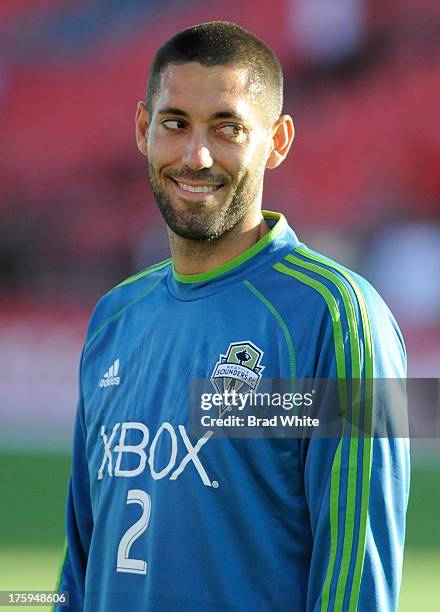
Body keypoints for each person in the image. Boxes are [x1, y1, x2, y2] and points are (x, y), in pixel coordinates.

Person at [53, 21, 409, 612]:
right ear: (144, 129)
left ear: (277, 140)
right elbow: (80, 569)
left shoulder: (338, 316)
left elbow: (355, 585)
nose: (197, 156)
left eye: (228, 128)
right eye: (175, 124)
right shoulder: (114, 319)